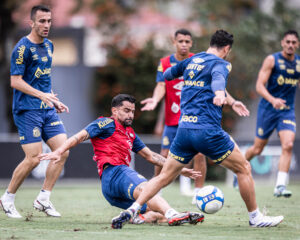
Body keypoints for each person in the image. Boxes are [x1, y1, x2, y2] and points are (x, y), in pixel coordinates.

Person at [112, 30, 284, 228]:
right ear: (226, 49)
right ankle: (256, 218)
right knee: (244, 168)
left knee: (163, 177)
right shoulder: (222, 63)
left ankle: (132, 209)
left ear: (211, 44)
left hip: (184, 131)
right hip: (207, 131)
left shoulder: (192, 61)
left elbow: (168, 75)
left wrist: (226, 98)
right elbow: (218, 79)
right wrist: (219, 93)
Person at [39, 94, 204, 229]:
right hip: (116, 173)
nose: (130, 115)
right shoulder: (105, 123)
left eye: (132, 111)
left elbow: (151, 156)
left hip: (111, 192)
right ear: (114, 111)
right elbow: (80, 136)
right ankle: (173, 214)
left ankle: (139, 218)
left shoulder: (130, 133)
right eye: (126, 110)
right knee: (147, 188)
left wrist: (179, 170)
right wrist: (60, 151)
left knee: (157, 213)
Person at [0, 5, 69, 219]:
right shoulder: (22, 48)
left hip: (46, 108)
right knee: (33, 158)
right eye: (42, 21)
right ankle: (7, 198)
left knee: (62, 151)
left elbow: (43, 81)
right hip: (27, 110)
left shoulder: (49, 46)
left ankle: (43, 198)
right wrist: (41, 96)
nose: (46, 25)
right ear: (32, 23)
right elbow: (15, 81)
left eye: (49, 21)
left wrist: (52, 99)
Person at [141, 29, 206, 200]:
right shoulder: (164, 63)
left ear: (191, 43)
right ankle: (157, 190)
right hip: (172, 119)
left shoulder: (198, 61)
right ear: (174, 42)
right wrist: (155, 100)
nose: (184, 44)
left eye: (187, 41)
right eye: (180, 41)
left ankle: (197, 193)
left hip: (194, 117)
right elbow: (161, 85)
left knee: (199, 154)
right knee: (163, 156)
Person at [243, 30, 300, 197]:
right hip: (268, 110)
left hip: (286, 111)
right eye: (287, 42)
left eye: (293, 42)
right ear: (282, 43)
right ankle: (239, 166)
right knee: (257, 149)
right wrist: (273, 99)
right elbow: (259, 86)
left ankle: (280, 185)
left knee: (288, 145)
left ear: (297, 45)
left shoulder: (298, 64)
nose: (290, 45)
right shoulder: (272, 60)